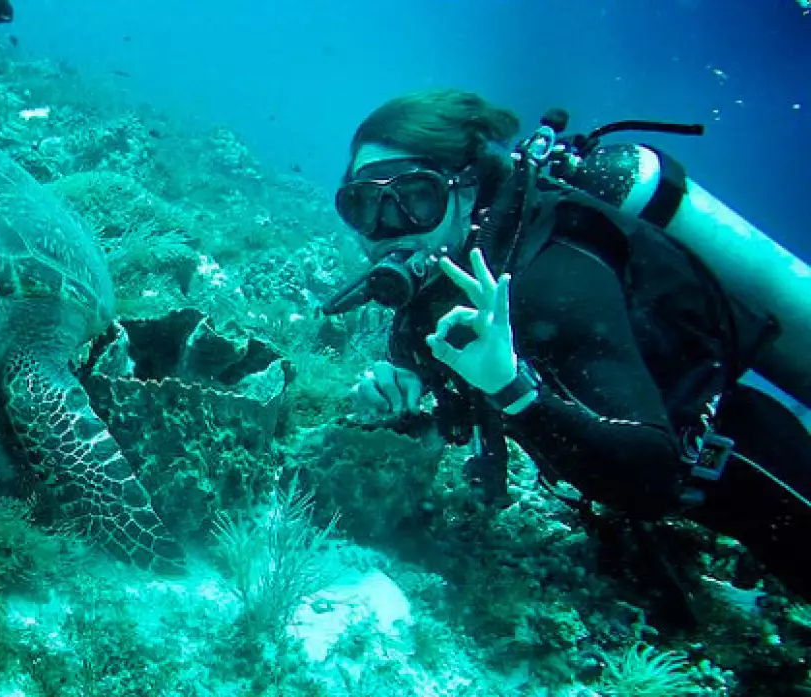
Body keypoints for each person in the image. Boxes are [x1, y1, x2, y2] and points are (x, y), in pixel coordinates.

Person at [323, 88, 811, 607]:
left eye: (416, 197)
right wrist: (407, 383)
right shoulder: (450, 269)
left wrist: (512, 390)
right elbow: (432, 357)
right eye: (363, 205)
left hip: (752, 470)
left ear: (466, 191)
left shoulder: (553, 282)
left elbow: (653, 472)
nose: (385, 227)